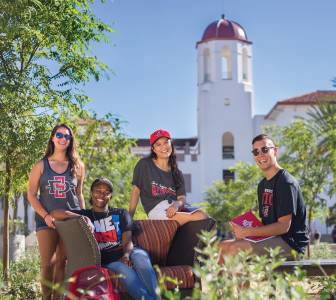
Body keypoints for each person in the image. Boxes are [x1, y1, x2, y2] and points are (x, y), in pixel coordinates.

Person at [52, 177, 158, 300]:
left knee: (141, 257)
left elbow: (127, 241)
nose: (101, 194)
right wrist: (80, 217)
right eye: (98, 190)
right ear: (91, 193)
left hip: (124, 253)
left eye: (106, 192)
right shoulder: (85, 215)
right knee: (126, 272)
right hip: (107, 261)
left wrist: (126, 255)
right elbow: (55, 213)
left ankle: (157, 297)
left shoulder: (121, 214)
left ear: (110, 196)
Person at [219, 134, 309, 261]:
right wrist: (243, 231)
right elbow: (266, 223)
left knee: (236, 249)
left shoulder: (285, 182)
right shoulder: (262, 185)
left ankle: (235, 281)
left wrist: (247, 232)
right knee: (222, 246)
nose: (260, 154)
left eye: (265, 150)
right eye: (256, 152)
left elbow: (283, 227)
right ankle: (224, 282)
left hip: (291, 244)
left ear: (275, 151)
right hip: (272, 239)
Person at [27, 124, 85, 300]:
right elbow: (31, 194)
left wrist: (83, 218)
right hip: (46, 220)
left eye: (67, 136)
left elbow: (79, 194)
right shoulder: (41, 165)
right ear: (52, 138)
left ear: (70, 141)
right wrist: (45, 215)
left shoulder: (78, 166)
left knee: (62, 263)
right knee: (47, 264)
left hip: (71, 221)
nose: (62, 139)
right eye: (59, 135)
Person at [129, 129, 208, 225]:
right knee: (200, 217)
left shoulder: (177, 173)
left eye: (166, 142)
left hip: (176, 208)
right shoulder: (144, 165)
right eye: (158, 144)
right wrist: (129, 219)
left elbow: (182, 199)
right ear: (153, 149)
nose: (163, 147)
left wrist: (176, 205)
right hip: (157, 210)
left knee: (207, 219)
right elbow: (135, 191)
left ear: (171, 144)